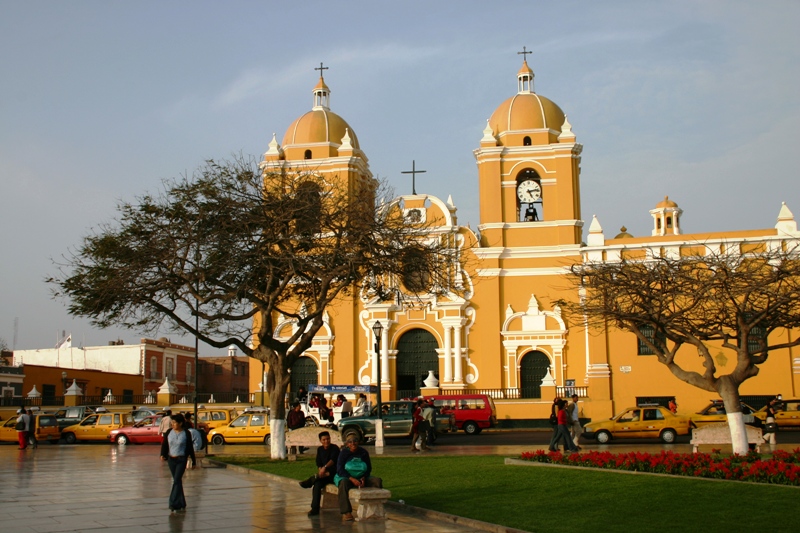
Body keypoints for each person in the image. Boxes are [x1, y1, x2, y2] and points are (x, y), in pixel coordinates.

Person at [335, 435, 382, 522]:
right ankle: (346, 512)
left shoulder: (363, 452)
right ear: (347, 444)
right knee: (343, 484)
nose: (353, 443)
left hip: (361, 477)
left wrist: (363, 478)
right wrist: (352, 479)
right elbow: (339, 469)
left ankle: (375, 508)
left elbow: (368, 468)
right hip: (347, 477)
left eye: (355, 441)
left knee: (377, 481)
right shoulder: (343, 453)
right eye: (350, 442)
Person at [159, 413, 196, 512]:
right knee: (177, 481)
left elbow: (190, 447)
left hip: (181, 459)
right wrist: (162, 454)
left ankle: (173, 503)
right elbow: (165, 444)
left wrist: (193, 461)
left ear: (180, 423)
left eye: (174, 422)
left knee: (176, 480)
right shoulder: (169, 432)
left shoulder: (186, 433)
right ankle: (182, 503)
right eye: (172, 422)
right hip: (171, 460)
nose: (172, 424)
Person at [299, 431, 340, 517]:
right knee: (317, 485)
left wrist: (324, 468)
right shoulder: (320, 449)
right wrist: (321, 469)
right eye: (324, 439)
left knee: (321, 476)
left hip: (334, 473)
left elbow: (332, 460)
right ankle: (315, 509)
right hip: (324, 474)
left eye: (328, 439)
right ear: (320, 441)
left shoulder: (335, 448)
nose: (326, 441)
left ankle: (310, 481)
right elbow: (318, 462)